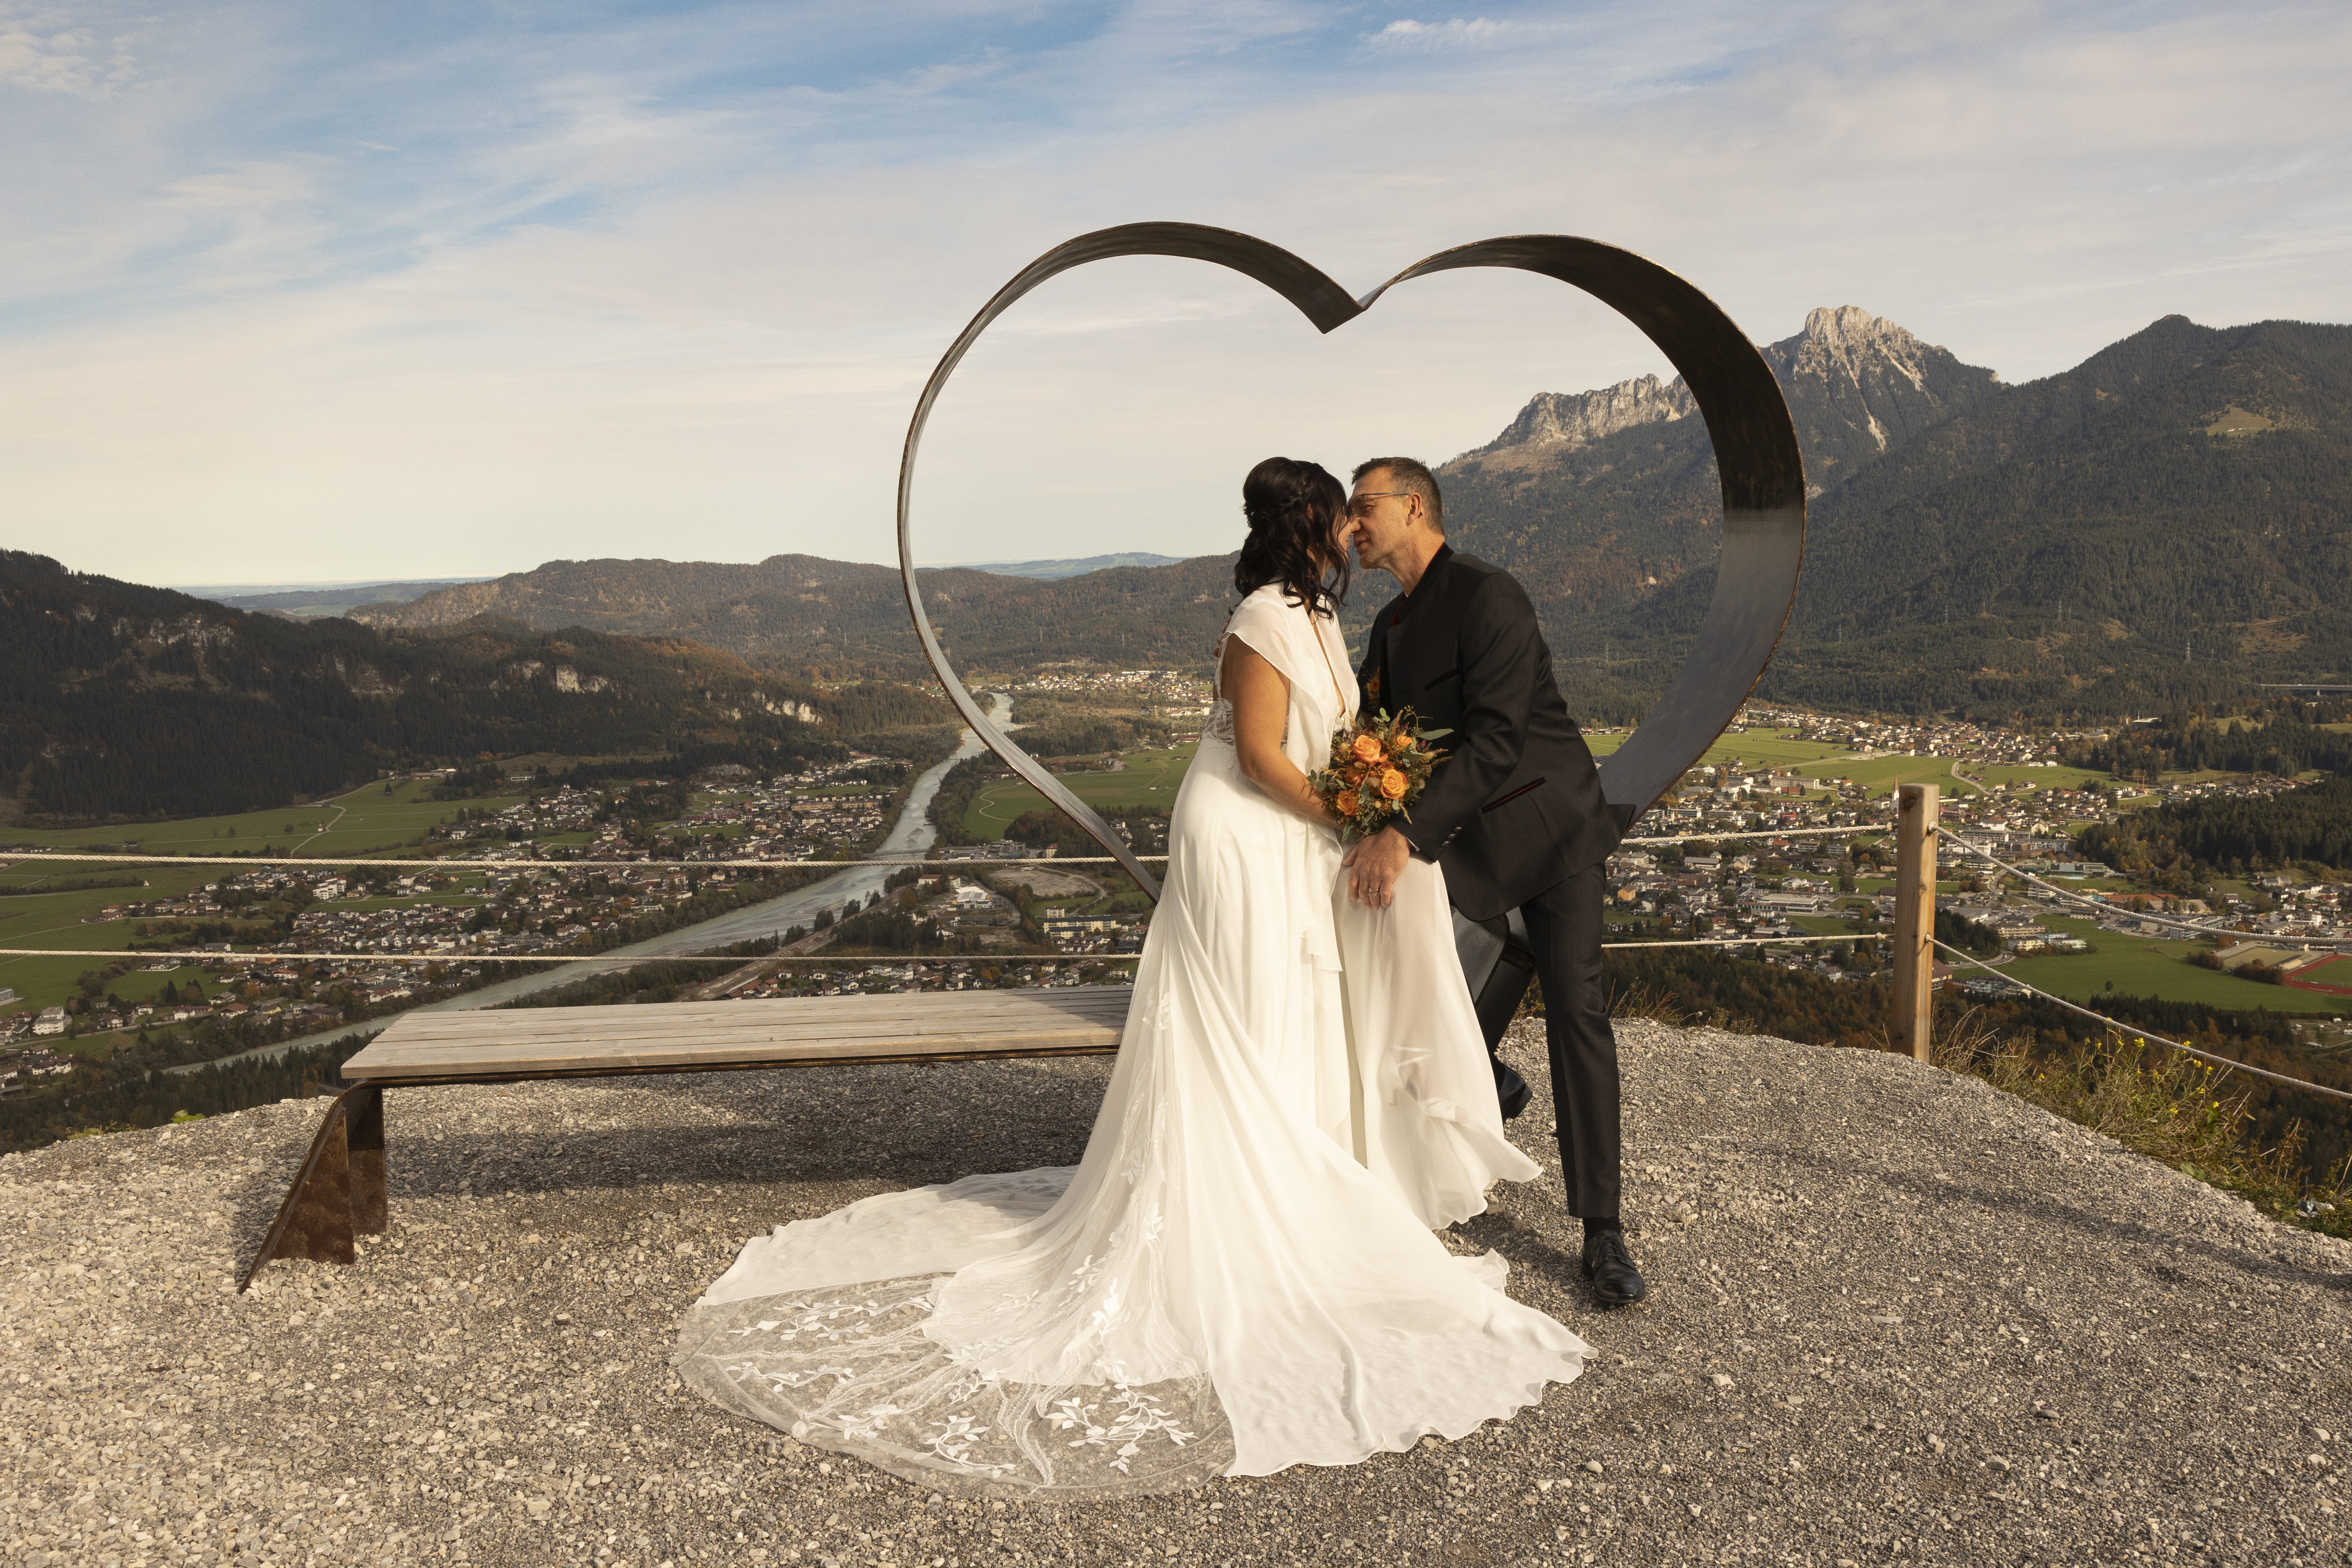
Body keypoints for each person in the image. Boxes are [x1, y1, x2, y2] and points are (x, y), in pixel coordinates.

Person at [671, 457, 1590, 1498]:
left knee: (1280, 1015)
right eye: (1341, 514)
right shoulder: (1261, 617)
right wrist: (1350, 814)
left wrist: (1370, 801)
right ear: (1311, 525)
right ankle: (1230, 1221)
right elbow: (1258, 758)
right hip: (1243, 837)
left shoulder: (1327, 618)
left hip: (1289, 840)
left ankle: (1287, 1189)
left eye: (1360, 511)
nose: (1352, 529)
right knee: (1238, 1017)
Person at [1340, 456, 1649, 1308]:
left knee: (1576, 1009)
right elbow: (1367, 729)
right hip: (1465, 844)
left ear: (1413, 506)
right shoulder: (1388, 627)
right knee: (1401, 975)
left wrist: (1405, 836)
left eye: (1363, 507)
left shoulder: (1489, 595)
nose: (1351, 524)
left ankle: (1601, 1230)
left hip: (1551, 829)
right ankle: (1487, 1075)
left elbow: (1499, 738)